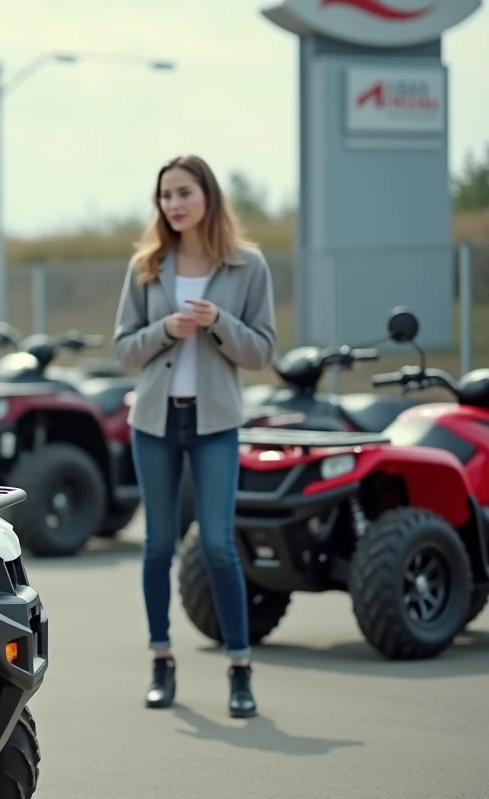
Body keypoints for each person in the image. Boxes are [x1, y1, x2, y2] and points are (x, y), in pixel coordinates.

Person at [111, 154, 276, 718]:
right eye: (165, 195)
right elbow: (123, 348)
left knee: (217, 545)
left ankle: (240, 668)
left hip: (216, 423)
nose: (174, 204)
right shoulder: (147, 266)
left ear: (207, 195)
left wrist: (217, 324)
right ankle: (161, 660)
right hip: (155, 422)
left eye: (184, 192)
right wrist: (166, 330)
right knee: (157, 545)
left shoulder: (248, 266)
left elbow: (262, 351)